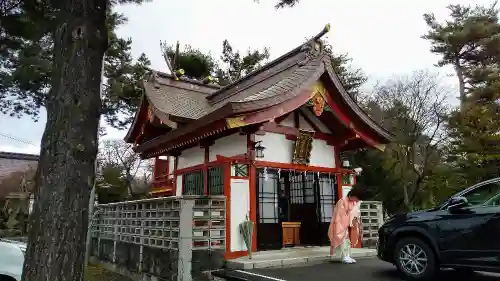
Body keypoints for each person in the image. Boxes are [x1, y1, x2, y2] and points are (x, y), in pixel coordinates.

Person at [328, 183, 368, 264]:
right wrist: (349, 220)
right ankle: (343, 256)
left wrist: (353, 219)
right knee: (341, 239)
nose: (357, 200)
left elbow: (353, 212)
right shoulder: (342, 201)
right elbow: (340, 216)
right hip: (339, 224)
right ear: (353, 195)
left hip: (344, 224)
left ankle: (347, 255)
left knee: (346, 240)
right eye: (356, 198)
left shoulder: (353, 202)